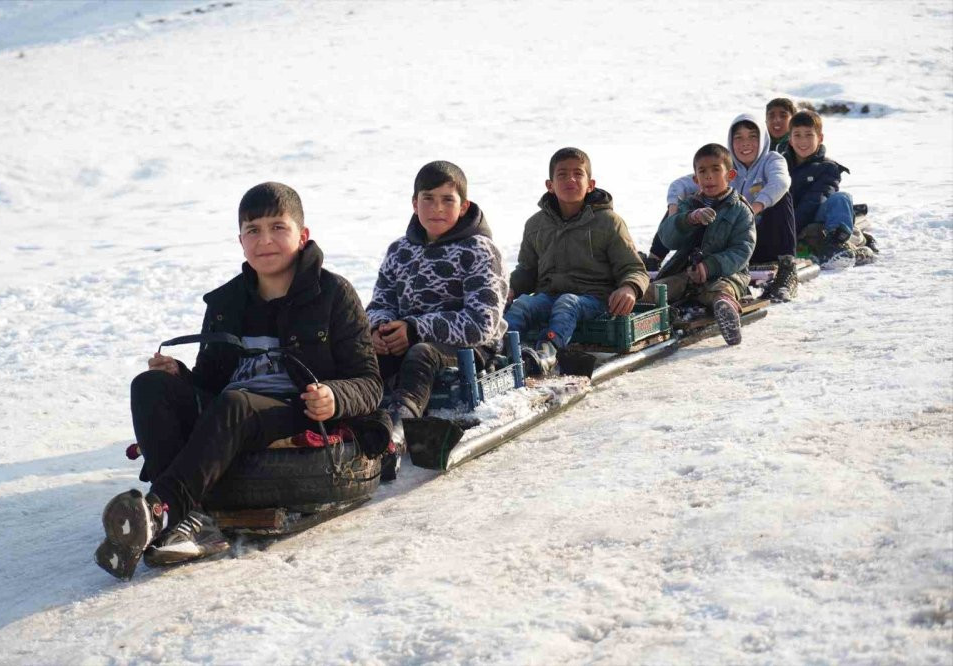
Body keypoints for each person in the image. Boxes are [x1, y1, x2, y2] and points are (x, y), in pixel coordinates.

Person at [95, 182, 389, 580]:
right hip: (232, 413)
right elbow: (212, 382)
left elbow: (369, 383)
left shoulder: (333, 294)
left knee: (236, 404)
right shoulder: (226, 303)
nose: (265, 240)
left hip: (299, 410)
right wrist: (179, 376)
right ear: (240, 240)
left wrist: (335, 396)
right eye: (253, 230)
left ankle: (161, 510)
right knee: (148, 386)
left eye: (277, 228)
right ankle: (193, 519)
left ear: (302, 236)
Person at [366, 161, 507, 478]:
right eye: (428, 198)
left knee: (421, 354)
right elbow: (379, 301)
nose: (437, 208)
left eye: (447, 199)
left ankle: (398, 431)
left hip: (471, 349)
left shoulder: (478, 250)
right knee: (364, 356)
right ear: (415, 204)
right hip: (405, 338)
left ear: (464, 205)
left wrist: (416, 329)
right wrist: (379, 328)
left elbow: (481, 322)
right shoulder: (399, 251)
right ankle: (357, 422)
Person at [505, 147, 649, 374]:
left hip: (594, 300)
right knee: (523, 305)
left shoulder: (609, 222)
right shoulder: (535, 225)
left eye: (578, 174)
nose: (570, 179)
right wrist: (511, 289)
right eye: (562, 174)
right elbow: (527, 269)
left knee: (567, 303)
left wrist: (629, 288)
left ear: (590, 184)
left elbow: (633, 267)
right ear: (550, 185)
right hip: (549, 296)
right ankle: (501, 352)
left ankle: (548, 352)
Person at [653, 112, 798, 301]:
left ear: (762, 139)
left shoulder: (772, 160)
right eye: (739, 138)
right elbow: (679, 185)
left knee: (782, 197)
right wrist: (674, 210)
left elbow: (780, 182)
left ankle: (787, 267)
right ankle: (654, 257)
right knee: (686, 204)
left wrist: (752, 209)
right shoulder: (721, 167)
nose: (745, 143)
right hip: (725, 245)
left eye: (752, 137)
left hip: (757, 239)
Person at [644, 144, 756, 346]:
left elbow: (742, 251)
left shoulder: (740, 210)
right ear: (695, 179)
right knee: (651, 293)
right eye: (702, 172)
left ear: (730, 175)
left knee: (721, 293)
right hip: (686, 274)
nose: (709, 177)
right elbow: (667, 238)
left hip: (726, 274)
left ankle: (728, 314)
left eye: (716, 169)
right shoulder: (689, 205)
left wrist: (709, 266)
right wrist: (688, 219)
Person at [784, 110, 871, 269]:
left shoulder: (828, 168)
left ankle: (835, 245)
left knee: (841, 198)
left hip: (816, 219)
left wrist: (791, 230)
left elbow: (816, 199)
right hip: (789, 221)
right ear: (789, 139)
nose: (803, 140)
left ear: (820, 138)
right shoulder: (780, 164)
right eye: (797, 135)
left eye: (809, 135)